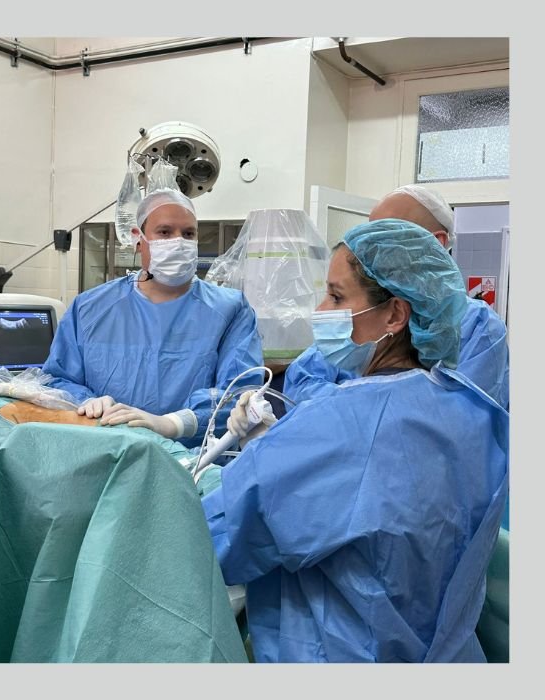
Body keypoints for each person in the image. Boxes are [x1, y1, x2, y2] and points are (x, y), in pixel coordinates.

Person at [202, 219, 508, 662]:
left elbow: (212, 541)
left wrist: (268, 457)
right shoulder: (475, 412)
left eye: (337, 296)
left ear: (395, 315)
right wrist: (279, 450)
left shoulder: (340, 422)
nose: (321, 309)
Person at [42, 174, 264, 448]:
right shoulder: (90, 307)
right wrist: (86, 401)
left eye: (188, 233)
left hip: (191, 460)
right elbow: (57, 378)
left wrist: (175, 423)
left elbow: (241, 393)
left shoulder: (229, 309)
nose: (178, 242)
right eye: (164, 232)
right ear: (139, 238)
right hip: (105, 451)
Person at [283, 185, 509, 410]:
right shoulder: (354, 317)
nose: (366, 247)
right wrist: (357, 405)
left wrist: (370, 407)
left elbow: (470, 416)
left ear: (436, 244)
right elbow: (301, 382)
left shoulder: (478, 326)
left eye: (385, 233)